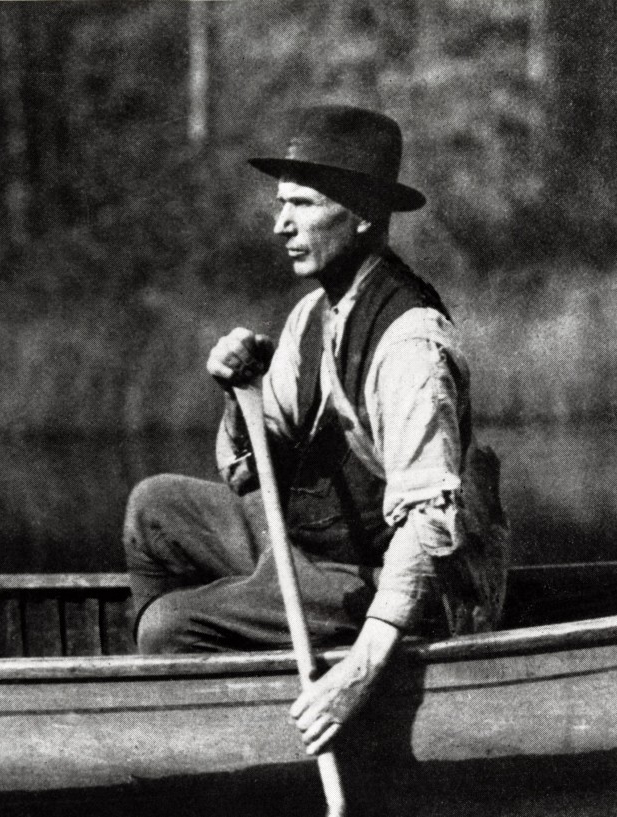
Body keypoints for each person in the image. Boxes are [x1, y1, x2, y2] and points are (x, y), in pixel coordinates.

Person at [123, 104, 508, 757]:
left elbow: (428, 530)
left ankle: (232, 715)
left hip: (395, 579)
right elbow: (250, 471)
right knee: (153, 509)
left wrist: (357, 674)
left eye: (302, 204)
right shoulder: (311, 317)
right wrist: (235, 391)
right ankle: (206, 691)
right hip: (310, 545)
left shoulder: (410, 345)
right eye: (280, 204)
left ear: (360, 214)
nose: (280, 224)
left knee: (165, 627)